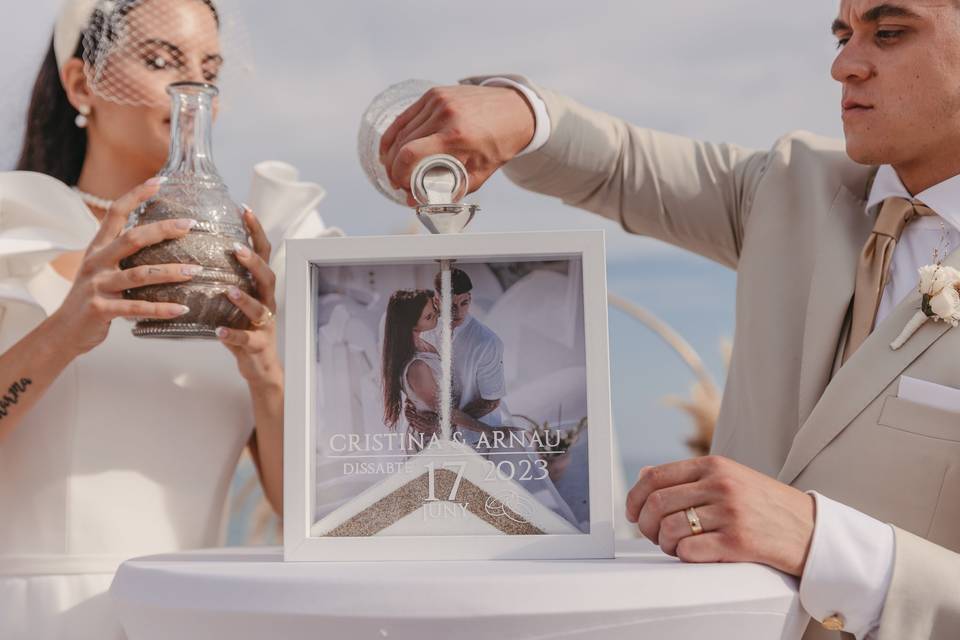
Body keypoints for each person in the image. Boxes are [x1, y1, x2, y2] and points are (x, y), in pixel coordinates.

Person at [376, 1, 960, 638]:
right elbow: (622, 166)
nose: (844, 65)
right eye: (843, 35)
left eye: (891, 32)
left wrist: (824, 543)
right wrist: (522, 111)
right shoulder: (791, 186)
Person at [0, 0, 336, 637]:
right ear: (81, 84)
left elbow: (305, 513)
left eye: (210, 68)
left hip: (198, 615)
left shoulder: (250, 257)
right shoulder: (14, 233)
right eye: (160, 60)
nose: (194, 86)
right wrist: (63, 331)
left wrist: (264, 365)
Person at [380, 289, 510, 449]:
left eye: (434, 310)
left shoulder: (424, 342)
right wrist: (489, 431)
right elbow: (446, 410)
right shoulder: (417, 366)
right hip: (433, 441)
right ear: (411, 324)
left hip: (450, 430)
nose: (436, 316)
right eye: (429, 316)